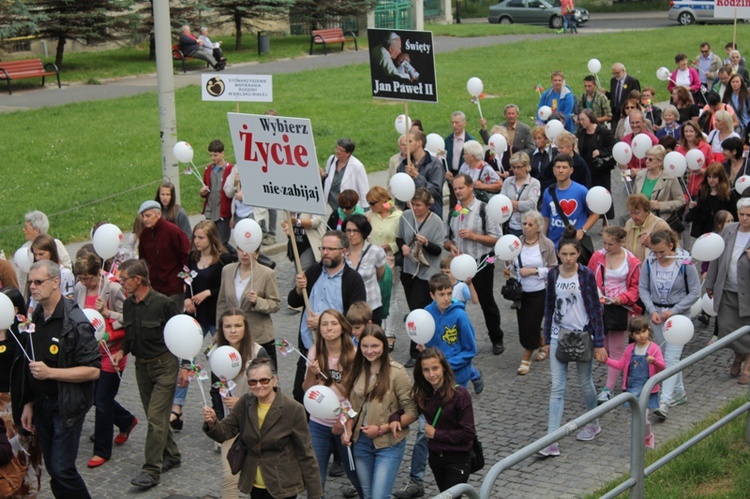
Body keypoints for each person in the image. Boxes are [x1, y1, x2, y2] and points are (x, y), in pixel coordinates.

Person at [10, 260, 100, 497]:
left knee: (62, 468)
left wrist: (51, 373)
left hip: (65, 405)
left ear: (55, 282)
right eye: (30, 283)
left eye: (38, 282)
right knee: (53, 468)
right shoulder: (37, 316)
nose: (33, 287)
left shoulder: (76, 322)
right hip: (41, 405)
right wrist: (28, 402)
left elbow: (93, 370)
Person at [203, 358, 323, 499]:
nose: (258, 385)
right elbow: (224, 432)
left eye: (264, 380)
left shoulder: (293, 409)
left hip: (283, 486)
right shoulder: (245, 403)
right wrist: (212, 423)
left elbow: (306, 453)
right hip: (254, 484)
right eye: (253, 382)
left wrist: (315, 494)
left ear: (274, 380)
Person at [111, 259, 185, 489]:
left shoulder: (164, 304)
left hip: (164, 366)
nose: (121, 283)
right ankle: (171, 455)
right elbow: (130, 336)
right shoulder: (129, 305)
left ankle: (151, 470)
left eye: (124, 279)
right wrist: (121, 351)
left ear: (138, 279)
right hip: (141, 368)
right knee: (158, 419)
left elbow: (181, 334)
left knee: (154, 418)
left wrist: (184, 367)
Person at [538, 231, 606, 457]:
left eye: (572, 254)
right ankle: (552, 438)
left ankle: (593, 422)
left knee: (585, 383)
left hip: (583, 335)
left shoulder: (586, 275)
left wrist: (599, 342)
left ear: (578, 254)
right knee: (558, 387)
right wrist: (547, 339)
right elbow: (548, 307)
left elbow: (595, 309)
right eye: (564, 254)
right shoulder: (553, 275)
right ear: (558, 254)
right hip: (559, 335)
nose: (567, 258)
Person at [73, 254, 137, 469]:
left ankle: (102, 450)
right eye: (80, 278)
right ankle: (126, 420)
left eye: (87, 278)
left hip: (112, 352)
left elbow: (129, 317)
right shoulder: (79, 288)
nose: (84, 282)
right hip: (89, 352)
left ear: (97, 272)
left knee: (102, 400)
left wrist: (106, 312)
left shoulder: (113, 288)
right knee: (92, 395)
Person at [288, 231, 366, 402]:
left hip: (336, 351)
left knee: (334, 395)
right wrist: (299, 289)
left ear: (344, 251)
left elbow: (357, 316)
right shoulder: (313, 271)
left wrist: (324, 321)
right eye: (323, 248)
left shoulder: (353, 279)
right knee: (302, 395)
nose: (325, 252)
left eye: (331, 249)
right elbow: (293, 302)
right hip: (310, 346)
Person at [342, 325, 418, 499]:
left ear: (384, 345)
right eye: (365, 346)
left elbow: (412, 412)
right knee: (367, 495)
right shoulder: (355, 368)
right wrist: (347, 428)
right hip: (360, 441)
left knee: (379, 496)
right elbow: (349, 406)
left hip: (388, 444)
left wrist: (381, 429)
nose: (369, 351)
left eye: (375, 346)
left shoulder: (397, 373)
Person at [171, 220, 233, 431]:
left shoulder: (224, 259)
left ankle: (225, 407)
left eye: (201, 238)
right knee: (186, 361)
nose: (196, 241)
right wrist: (187, 300)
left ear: (211, 238)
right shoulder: (192, 257)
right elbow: (187, 282)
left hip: (215, 316)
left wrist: (209, 292)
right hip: (196, 316)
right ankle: (177, 407)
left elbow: (226, 287)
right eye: (195, 237)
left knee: (220, 360)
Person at [639, 229, 700, 420]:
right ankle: (679, 392)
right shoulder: (649, 262)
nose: (657, 256)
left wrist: (673, 310)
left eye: (661, 252)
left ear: (671, 246)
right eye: (654, 252)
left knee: (671, 359)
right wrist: (652, 310)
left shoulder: (685, 263)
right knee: (666, 355)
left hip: (678, 318)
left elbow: (695, 292)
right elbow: (643, 288)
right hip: (657, 315)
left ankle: (664, 402)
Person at [208, 310, 269, 499]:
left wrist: (242, 401)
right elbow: (215, 390)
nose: (233, 331)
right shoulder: (216, 353)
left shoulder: (258, 352)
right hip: (231, 425)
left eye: (237, 325)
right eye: (228, 326)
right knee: (229, 476)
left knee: (258, 478)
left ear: (245, 327)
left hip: (256, 423)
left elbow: (268, 389)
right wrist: (218, 423)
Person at [302, 309, 361, 498]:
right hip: (318, 423)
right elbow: (307, 390)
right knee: (315, 476)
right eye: (324, 324)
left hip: (345, 424)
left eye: (333, 323)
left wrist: (342, 419)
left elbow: (357, 396)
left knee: (354, 473)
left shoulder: (354, 355)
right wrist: (312, 372)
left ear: (343, 327)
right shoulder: (314, 352)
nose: (329, 328)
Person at [444, 174, 505, 356]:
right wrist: (451, 247)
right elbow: (447, 240)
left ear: (471, 187)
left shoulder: (484, 209)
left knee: (486, 301)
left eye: (461, 188)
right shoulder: (453, 211)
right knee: (454, 302)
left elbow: (497, 239)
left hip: (481, 261)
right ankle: (456, 339)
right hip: (458, 264)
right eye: (455, 189)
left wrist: (474, 236)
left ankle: (496, 338)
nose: (458, 192)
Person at [587, 226, 642, 403]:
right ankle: (625, 373)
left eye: (610, 244)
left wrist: (622, 298)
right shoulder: (598, 256)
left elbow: (636, 288)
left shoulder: (632, 261)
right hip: (600, 307)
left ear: (621, 242)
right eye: (604, 243)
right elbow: (588, 277)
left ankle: (608, 388)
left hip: (620, 308)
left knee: (616, 347)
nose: (606, 247)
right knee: (604, 347)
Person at [410, 348, 475, 492]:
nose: (431, 374)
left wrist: (436, 434)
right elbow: (407, 410)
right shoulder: (424, 394)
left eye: (435, 368)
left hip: (458, 458)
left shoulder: (460, 395)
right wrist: (395, 418)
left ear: (444, 368)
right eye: (426, 370)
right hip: (436, 458)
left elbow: (468, 433)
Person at [397, 188, 445, 366]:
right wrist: (403, 247)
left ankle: (415, 352)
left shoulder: (437, 222)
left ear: (428, 206)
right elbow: (399, 238)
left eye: (419, 205)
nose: (415, 208)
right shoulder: (405, 216)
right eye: (413, 204)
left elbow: (438, 250)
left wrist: (426, 243)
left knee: (417, 310)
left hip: (427, 272)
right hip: (409, 270)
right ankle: (426, 343)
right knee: (413, 306)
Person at [602, 316, 665, 449]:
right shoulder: (630, 349)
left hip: (648, 388)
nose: (641, 336)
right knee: (637, 417)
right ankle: (639, 440)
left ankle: (648, 436)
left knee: (643, 417)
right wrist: (606, 360)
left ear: (648, 331)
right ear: (632, 335)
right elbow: (620, 364)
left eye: (643, 331)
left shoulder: (654, 349)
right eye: (637, 333)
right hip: (633, 387)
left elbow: (662, 367)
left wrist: (654, 361)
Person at [705, 198, 750, 382]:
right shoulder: (729, 230)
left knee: (747, 328)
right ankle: (738, 355)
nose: (745, 218)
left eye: (749, 215)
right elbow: (716, 257)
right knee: (728, 327)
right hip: (727, 288)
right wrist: (710, 282)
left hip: (747, 291)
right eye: (742, 214)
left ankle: (747, 364)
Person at [216, 245, 280, 370]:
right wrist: (221, 330)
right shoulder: (227, 270)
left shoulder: (267, 273)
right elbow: (222, 303)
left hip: (258, 336)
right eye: (240, 249)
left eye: (248, 250)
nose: (244, 253)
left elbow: (275, 304)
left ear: (257, 253)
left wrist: (258, 301)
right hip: (234, 338)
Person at [509, 211, 557, 374]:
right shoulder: (516, 243)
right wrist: (509, 271)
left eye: (530, 224)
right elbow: (510, 263)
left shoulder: (547, 244)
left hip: (539, 291)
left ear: (538, 227)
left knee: (532, 323)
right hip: (522, 293)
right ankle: (541, 343)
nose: (526, 227)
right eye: (524, 224)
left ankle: (527, 356)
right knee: (524, 324)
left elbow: (553, 268)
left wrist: (534, 271)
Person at [137, 199, 191, 311]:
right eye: (143, 216)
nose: (145, 219)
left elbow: (186, 257)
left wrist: (186, 282)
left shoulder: (173, 231)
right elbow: (143, 261)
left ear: (159, 214)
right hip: (154, 289)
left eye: (148, 215)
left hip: (174, 288)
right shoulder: (144, 235)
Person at [366, 186, 402, 349]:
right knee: (376, 297)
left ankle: (390, 334)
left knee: (391, 297)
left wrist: (392, 246)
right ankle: (377, 331)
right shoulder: (370, 216)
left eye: (372, 203)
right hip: (372, 260)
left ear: (382, 201)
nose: (370, 206)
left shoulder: (398, 216)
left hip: (390, 260)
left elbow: (403, 239)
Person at [541, 153, 598, 247]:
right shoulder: (548, 191)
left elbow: (595, 214)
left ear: (571, 170)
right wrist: (543, 239)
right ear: (553, 170)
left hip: (573, 244)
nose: (561, 170)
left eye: (564, 167)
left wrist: (582, 231)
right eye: (558, 167)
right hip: (553, 244)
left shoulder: (581, 191)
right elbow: (545, 218)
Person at [632, 145, 686, 231]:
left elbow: (681, 200)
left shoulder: (670, 178)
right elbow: (633, 197)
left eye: (650, 159)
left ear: (660, 162)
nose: (647, 161)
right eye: (646, 158)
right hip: (641, 222)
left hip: (660, 223)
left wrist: (661, 205)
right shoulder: (640, 175)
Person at [345, 214, 386, 325]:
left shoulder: (376, 251)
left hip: (371, 305)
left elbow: (380, 275)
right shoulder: (341, 253)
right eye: (348, 230)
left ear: (363, 232)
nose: (351, 235)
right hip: (347, 307)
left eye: (355, 231)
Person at [576, 109, 617, 218]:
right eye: (579, 120)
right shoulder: (581, 132)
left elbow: (614, 147)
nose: (581, 122)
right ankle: (589, 218)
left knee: (603, 194)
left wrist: (600, 152)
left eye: (583, 119)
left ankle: (606, 220)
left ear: (590, 119)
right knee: (588, 194)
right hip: (587, 167)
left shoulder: (603, 132)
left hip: (601, 169)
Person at [398, 130, 445, 218]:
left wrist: (417, 176)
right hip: (409, 214)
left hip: (431, 215)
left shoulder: (434, 164)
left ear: (419, 143)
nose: (406, 144)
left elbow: (435, 191)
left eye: (410, 141)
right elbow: (399, 191)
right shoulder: (404, 165)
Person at [686, 163, 736, 240]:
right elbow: (700, 212)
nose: (711, 180)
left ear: (720, 177)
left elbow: (734, 214)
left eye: (714, 177)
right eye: (709, 177)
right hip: (704, 230)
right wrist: (692, 209)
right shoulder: (703, 192)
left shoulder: (728, 194)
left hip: (722, 231)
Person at [201, 140, 235, 247]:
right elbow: (206, 190)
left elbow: (233, 193)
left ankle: (233, 257)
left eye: (215, 155)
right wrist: (203, 192)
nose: (213, 158)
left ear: (222, 153)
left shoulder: (230, 169)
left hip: (223, 213)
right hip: (210, 211)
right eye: (211, 155)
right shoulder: (208, 170)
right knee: (211, 240)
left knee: (222, 242)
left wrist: (233, 215)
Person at [321, 138, 370, 212]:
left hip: (349, 208)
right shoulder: (331, 160)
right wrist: (323, 175)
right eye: (336, 148)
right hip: (334, 206)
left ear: (348, 153)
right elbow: (328, 177)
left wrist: (365, 210)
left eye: (340, 150)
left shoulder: (357, 166)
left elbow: (364, 189)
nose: (336, 151)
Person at [500, 152, 542, 236]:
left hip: (527, 228)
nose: (516, 170)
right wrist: (521, 204)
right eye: (513, 167)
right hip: (509, 226)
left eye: (519, 167)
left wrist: (509, 203)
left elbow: (531, 204)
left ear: (526, 166)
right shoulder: (508, 181)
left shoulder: (534, 183)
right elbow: (501, 202)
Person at [623, 194, 672, 262]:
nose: (633, 217)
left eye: (637, 213)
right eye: (631, 213)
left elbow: (672, 250)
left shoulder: (660, 225)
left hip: (652, 269)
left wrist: (650, 244)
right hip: (632, 269)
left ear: (646, 211)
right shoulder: (629, 223)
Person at [29, 234, 75, 306]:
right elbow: (33, 301)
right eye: (35, 254)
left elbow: (68, 299)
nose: (37, 258)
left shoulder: (65, 273)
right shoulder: (35, 273)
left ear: (51, 253)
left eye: (41, 254)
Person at [677, 120, 715, 202]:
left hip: (701, 187)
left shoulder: (706, 147)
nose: (688, 134)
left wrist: (702, 171)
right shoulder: (680, 150)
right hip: (684, 189)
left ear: (696, 132)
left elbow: (713, 169)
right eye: (686, 131)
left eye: (691, 131)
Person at [445, 111, 475, 208]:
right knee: (453, 203)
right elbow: (443, 157)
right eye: (452, 122)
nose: (454, 125)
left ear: (464, 123)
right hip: (451, 173)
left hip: (465, 174)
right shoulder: (447, 140)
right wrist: (446, 171)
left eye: (457, 122)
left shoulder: (470, 140)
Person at [606, 62, 641, 131]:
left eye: (617, 73)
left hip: (626, 111)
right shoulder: (613, 81)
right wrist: (605, 93)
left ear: (623, 70)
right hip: (615, 113)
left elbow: (637, 96)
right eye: (614, 73)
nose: (616, 75)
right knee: (615, 132)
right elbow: (613, 96)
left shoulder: (632, 81)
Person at [530, 125, 557, 197]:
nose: (537, 141)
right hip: (536, 188)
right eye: (535, 139)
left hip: (550, 187)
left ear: (546, 139)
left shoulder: (553, 153)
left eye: (539, 138)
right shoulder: (532, 154)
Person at [723, 74, 750, 139]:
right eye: (733, 82)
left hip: (745, 126)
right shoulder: (727, 96)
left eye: (737, 82)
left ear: (741, 83)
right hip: (732, 126)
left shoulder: (747, 96)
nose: (735, 84)